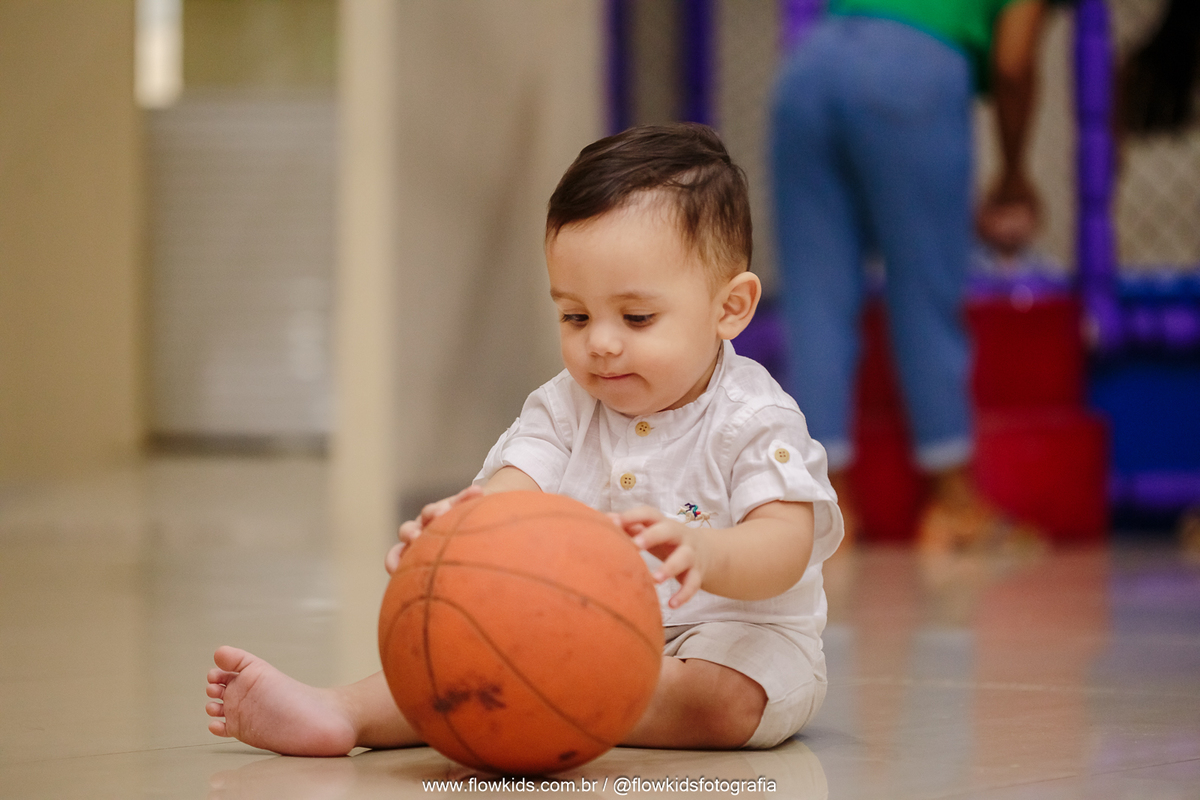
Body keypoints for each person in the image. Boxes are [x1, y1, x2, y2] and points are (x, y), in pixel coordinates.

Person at [205, 123, 844, 754]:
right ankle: (342, 712)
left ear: (730, 308)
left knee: (725, 701)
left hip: (730, 639)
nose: (601, 342)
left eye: (637, 317)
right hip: (581, 633)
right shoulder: (565, 407)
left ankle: (555, 702)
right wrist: (456, 530)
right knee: (464, 650)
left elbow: (785, 544)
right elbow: (513, 490)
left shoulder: (753, 417)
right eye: (575, 315)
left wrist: (708, 553)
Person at [770, 0, 1047, 550]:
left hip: (808, 69)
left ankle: (825, 512)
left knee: (815, 298)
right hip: (911, 76)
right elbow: (1014, 61)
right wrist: (1014, 172)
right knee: (926, 287)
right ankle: (954, 505)